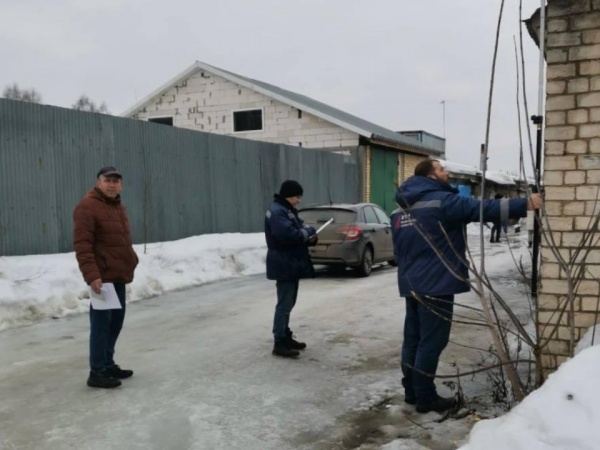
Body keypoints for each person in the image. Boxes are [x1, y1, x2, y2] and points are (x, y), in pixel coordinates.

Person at [391, 160, 542, 413]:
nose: (447, 173)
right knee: (432, 341)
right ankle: (426, 398)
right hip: (437, 283)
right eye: (441, 170)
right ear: (430, 176)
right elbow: (483, 208)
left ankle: (412, 392)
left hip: (411, 283)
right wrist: (526, 203)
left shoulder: (399, 211)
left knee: (413, 340)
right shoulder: (442, 201)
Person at [73, 166, 139, 389]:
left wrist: (131, 259)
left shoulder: (117, 206)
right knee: (101, 325)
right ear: (98, 182)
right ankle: (97, 371)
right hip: (102, 279)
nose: (112, 184)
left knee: (115, 323)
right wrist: (92, 275)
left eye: (116, 181)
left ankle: (108, 363)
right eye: (107, 180)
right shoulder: (87, 207)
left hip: (117, 274)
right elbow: (83, 245)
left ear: (121, 184)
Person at [265, 180, 318, 358]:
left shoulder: (286, 210)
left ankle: (285, 335)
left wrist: (309, 232)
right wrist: (307, 234)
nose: (299, 200)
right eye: (297, 197)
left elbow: (301, 226)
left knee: (289, 302)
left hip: (290, 262)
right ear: (289, 195)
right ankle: (279, 341)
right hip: (283, 263)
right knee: (284, 304)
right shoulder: (277, 212)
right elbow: (288, 235)